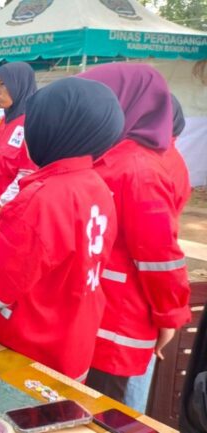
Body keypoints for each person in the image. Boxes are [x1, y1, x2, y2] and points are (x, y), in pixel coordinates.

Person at [0, 77, 123, 381]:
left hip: (27, 349)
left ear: (53, 129)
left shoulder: (41, 198)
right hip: (74, 342)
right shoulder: (97, 186)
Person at [79, 63, 191, 401]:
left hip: (119, 322)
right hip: (95, 309)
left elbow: (161, 257)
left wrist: (170, 316)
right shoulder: (113, 155)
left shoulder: (139, 169)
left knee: (105, 412)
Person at [122, 93, 193, 411]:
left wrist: (169, 315)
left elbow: (159, 252)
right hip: (144, 296)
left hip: (134, 300)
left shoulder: (146, 165)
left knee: (123, 398)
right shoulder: (169, 157)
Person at [0, 62, 38, 227]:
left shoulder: (31, 123)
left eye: (3, 84)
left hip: (7, 215)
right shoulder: (4, 121)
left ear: (20, 85)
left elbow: (26, 177)